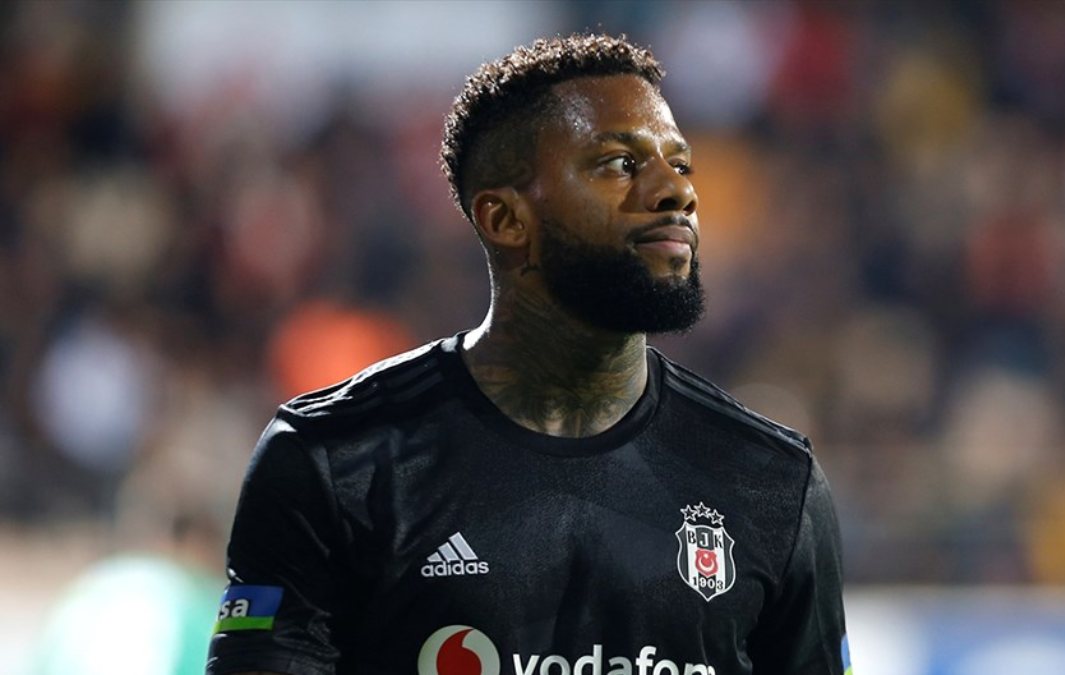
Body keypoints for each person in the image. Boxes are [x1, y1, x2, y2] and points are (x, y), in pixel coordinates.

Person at [206, 33, 850, 675]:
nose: (675, 192)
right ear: (506, 219)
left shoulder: (771, 481)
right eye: (619, 164)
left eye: (680, 166)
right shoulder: (337, 460)